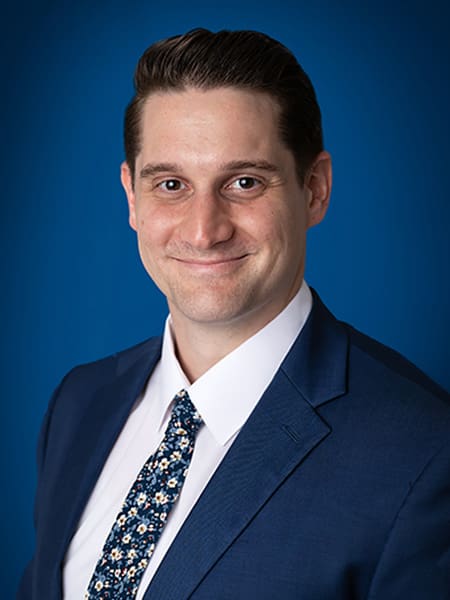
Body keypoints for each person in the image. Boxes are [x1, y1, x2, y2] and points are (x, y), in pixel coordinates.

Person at [18, 28, 450, 600]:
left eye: (244, 183)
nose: (204, 230)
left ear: (315, 189)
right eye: (171, 184)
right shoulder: (80, 404)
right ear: (132, 197)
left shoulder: (425, 453)